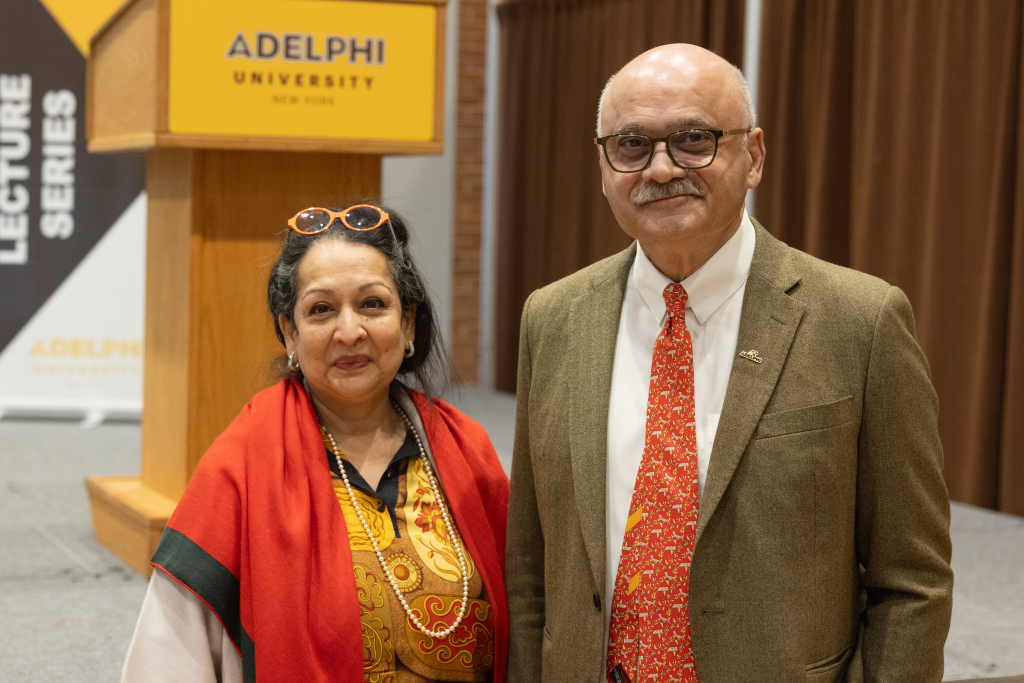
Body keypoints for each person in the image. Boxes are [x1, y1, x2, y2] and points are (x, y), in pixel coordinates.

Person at [505, 44, 953, 682]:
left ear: (755, 156)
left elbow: (913, 581)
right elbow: (531, 571)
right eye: (630, 146)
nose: (660, 169)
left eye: (694, 140)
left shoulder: (861, 321)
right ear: (603, 167)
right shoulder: (552, 318)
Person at [121, 204, 510, 683]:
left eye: (372, 304)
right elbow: (171, 659)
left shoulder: (467, 450)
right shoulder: (240, 466)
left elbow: (530, 612)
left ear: (407, 324)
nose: (350, 331)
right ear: (290, 331)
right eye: (321, 309)